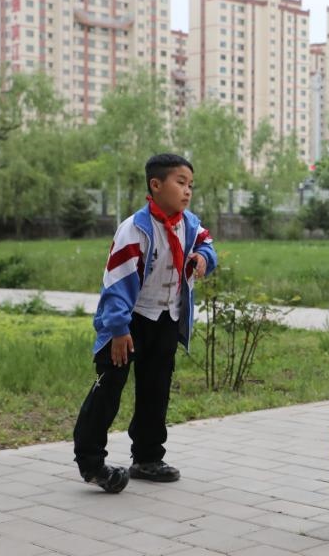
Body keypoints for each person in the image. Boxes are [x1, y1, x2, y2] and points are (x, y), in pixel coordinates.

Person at [73, 154, 216, 492]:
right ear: (156, 185)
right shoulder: (135, 229)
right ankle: (91, 463)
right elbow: (116, 281)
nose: (187, 191)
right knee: (109, 388)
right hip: (129, 321)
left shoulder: (190, 225)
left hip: (166, 318)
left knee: (156, 389)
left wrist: (202, 258)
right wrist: (119, 330)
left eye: (191, 185)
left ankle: (148, 457)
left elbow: (207, 246)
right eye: (180, 183)